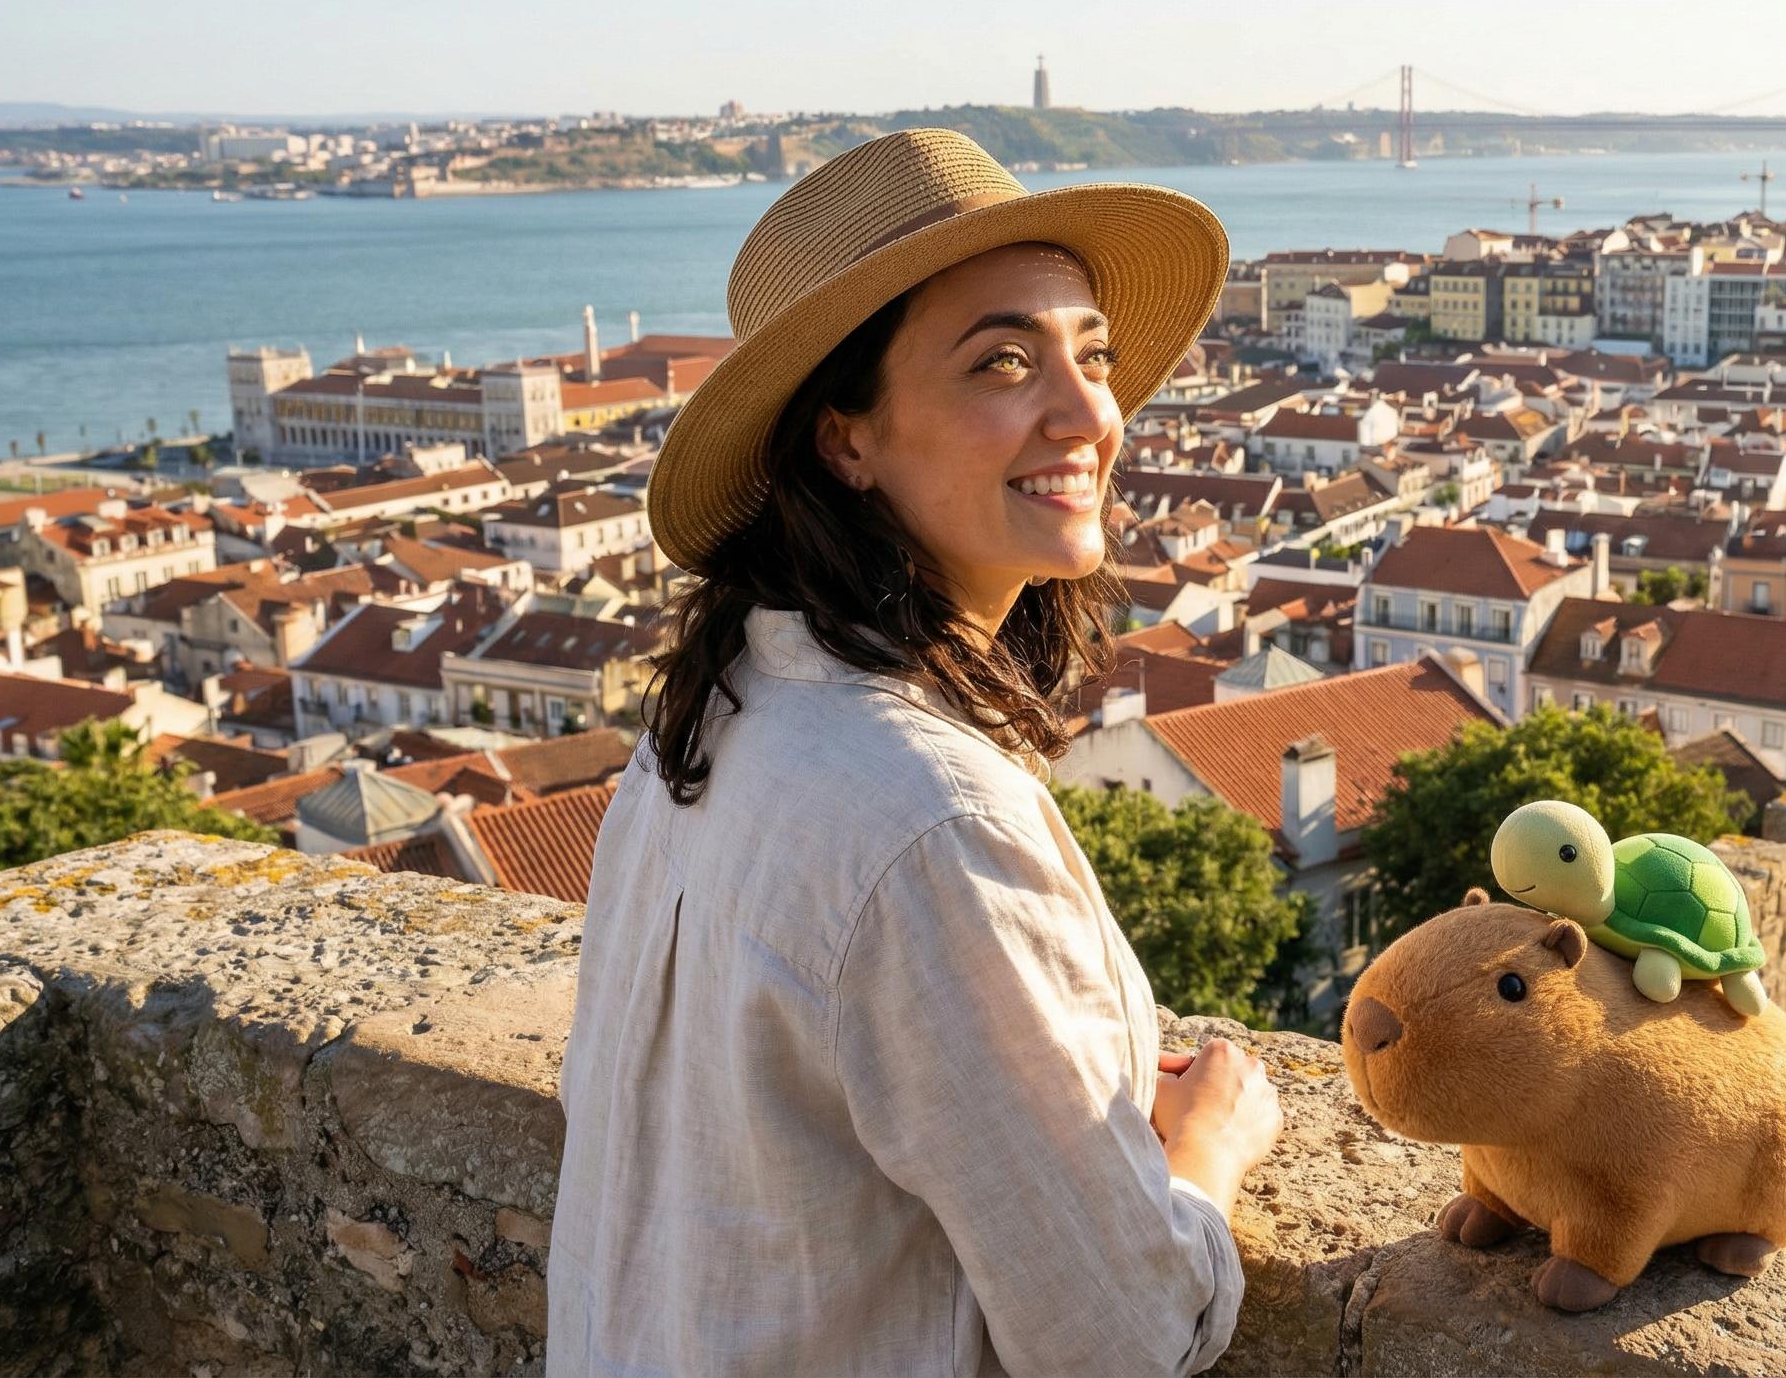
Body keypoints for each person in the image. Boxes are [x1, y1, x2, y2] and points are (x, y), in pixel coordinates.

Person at [548, 130, 1281, 1376]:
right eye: (1004, 362)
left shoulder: (717, 716)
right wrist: (1207, 1148)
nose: (1089, 413)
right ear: (847, 440)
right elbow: (1124, 1336)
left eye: (1091, 356)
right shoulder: (932, 821)